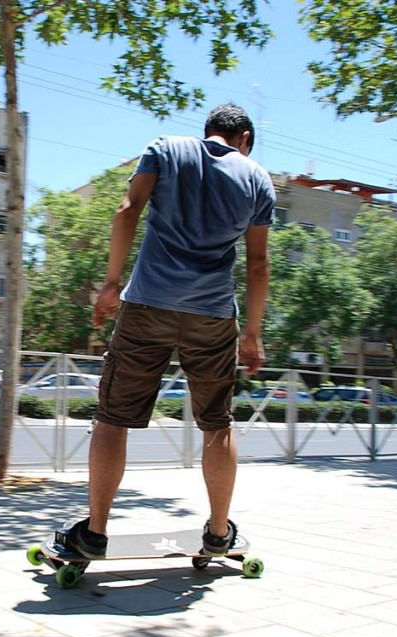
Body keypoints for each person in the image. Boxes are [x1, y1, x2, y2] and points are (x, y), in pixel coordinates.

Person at [66, 103, 275, 559]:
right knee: (217, 424)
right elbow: (258, 265)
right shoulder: (257, 178)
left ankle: (95, 533)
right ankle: (219, 533)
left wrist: (110, 284)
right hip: (213, 315)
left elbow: (127, 211)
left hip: (147, 305)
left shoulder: (165, 149)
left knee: (113, 418)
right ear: (243, 139)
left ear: (210, 130)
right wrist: (253, 332)